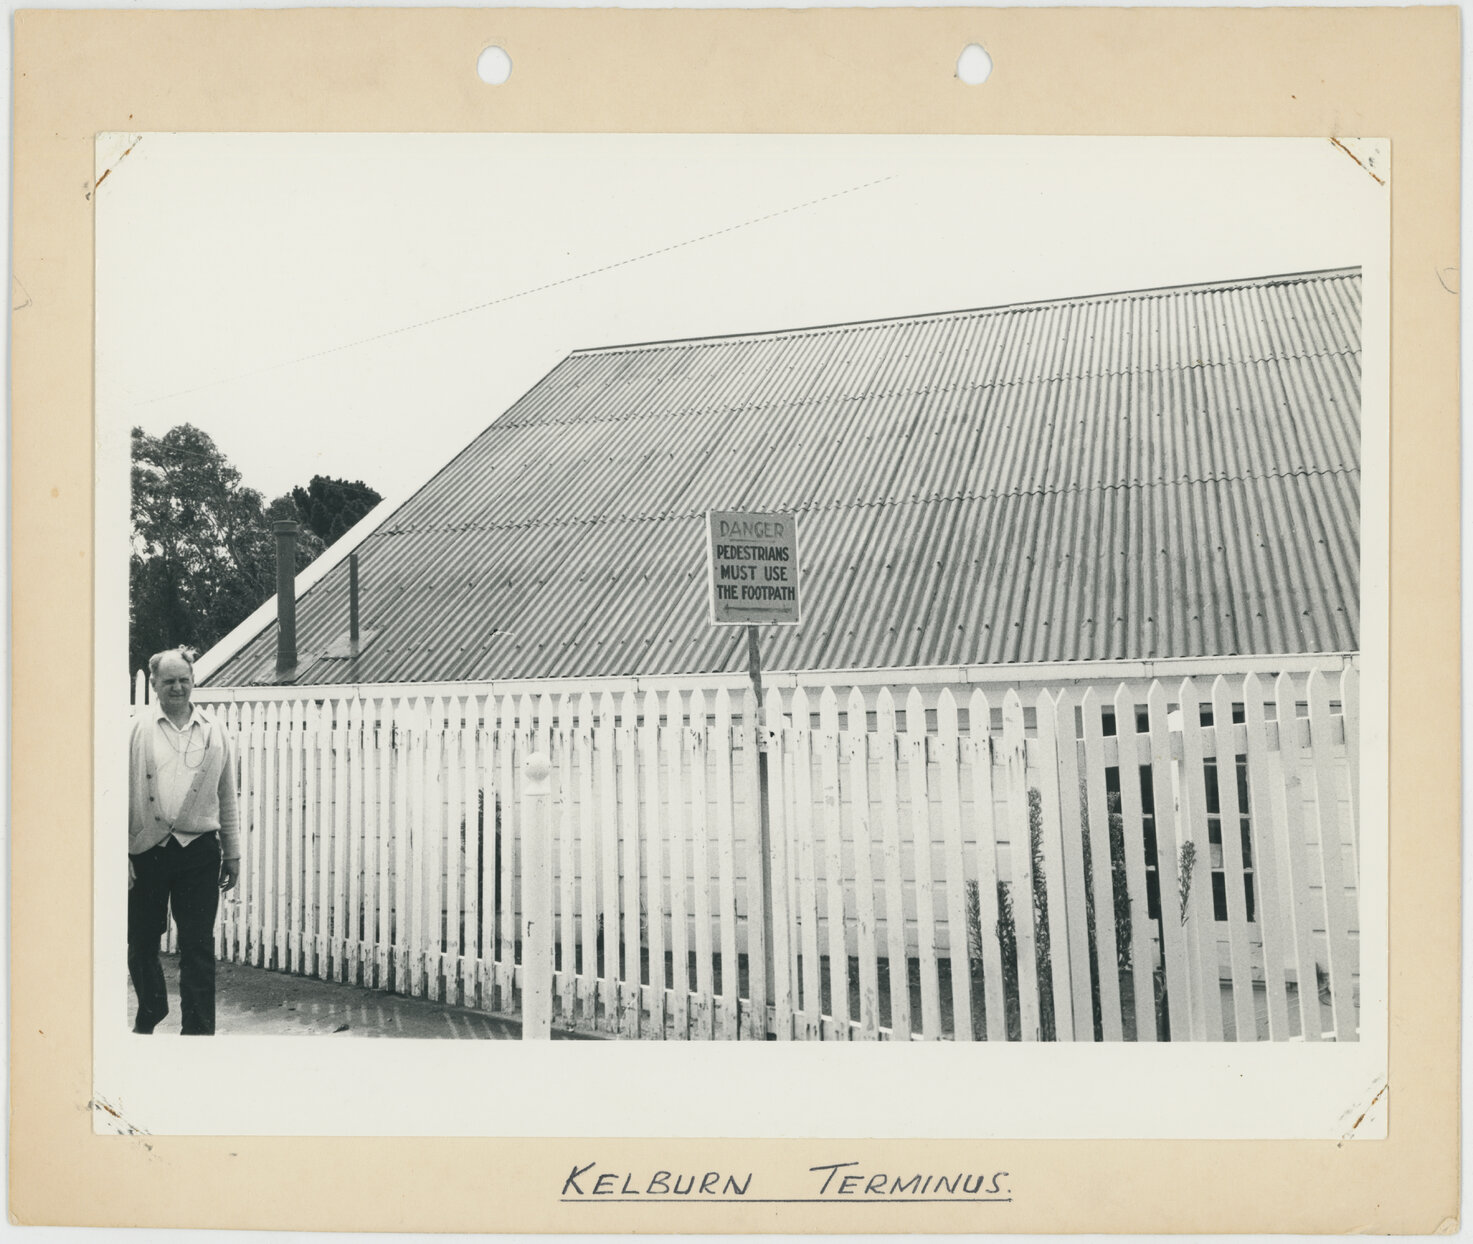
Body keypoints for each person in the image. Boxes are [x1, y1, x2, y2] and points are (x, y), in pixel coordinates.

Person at [128, 647, 240, 1034]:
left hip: (200, 853)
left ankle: (198, 1031)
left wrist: (234, 852)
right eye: (169, 681)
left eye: (184, 680)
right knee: (141, 942)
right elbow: (115, 794)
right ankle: (152, 1008)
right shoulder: (136, 731)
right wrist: (119, 853)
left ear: (193, 682)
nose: (177, 687)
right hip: (147, 850)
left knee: (197, 944)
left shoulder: (214, 730)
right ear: (154, 684)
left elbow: (227, 795)